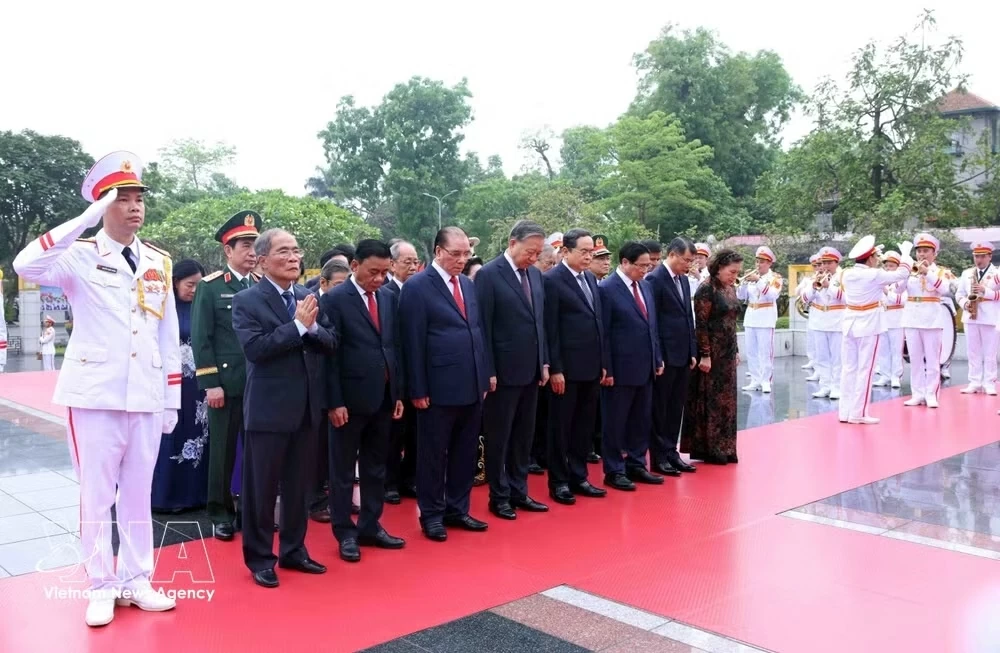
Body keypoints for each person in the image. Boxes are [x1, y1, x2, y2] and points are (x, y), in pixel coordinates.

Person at [13, 150, 180, 626]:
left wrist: (171, 399)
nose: (134, 207)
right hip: (95, 394)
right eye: (121, 199)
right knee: (96, 492)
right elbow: (28, 264)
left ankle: (136, 579)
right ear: (102, 206)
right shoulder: (79, 257)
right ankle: (101, 583)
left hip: (145, 393)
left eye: (138, 199)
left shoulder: (157, 261)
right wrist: (83, 219)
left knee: (136, 492)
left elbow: (167, 334)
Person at [232, 228, 337, 588]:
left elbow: (330, 340)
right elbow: (256, 350)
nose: (294, 258)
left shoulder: (308, 295)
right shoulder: (247, 300)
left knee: (298, 488)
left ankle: (294, 550)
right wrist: (297, 327)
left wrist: (308, 330)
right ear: (262, 260)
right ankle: (261, 557)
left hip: (307, 408)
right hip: (268, 410)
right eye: (284, 252)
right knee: (262, 490)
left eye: (296, 250)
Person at [398, 226, 490, 542]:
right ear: (438, 251)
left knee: (466, 452)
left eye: (466, 254)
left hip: (471, 384)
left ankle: (458, 509)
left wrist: (485, 373)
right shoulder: (418, 287)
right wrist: (418, 389)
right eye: (456, 254)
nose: (462, 260)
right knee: (433, 455)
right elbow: (412, 342)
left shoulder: (467, 284)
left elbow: (477, 331)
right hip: (436, 389)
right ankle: (432, 513)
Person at [321, 239, 406, 562]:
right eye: (373, 272)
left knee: (375, 467)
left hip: (383, 397)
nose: (379, 279)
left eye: (385, 272)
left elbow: (393, 346)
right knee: (342, 470)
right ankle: (345, 533)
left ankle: (371, 525)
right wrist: (334, 402)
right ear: (355, 266)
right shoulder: (336, 299)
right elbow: (329, 355)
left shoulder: (387, 297)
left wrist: (397, 392)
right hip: (348, 400)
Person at [191, 210, 261, 541]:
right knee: (223, 451)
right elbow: (201, 340)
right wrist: (211, 384)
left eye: (255, 245)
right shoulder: (211, 287)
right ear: (228, 251)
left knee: (258, 451)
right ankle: (219, 512)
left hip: (261, 385)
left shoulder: (262, 285)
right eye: (245, 245)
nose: (251, 251)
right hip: (227, 383)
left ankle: (252, 509)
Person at [475, 220, 550, 520]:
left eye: (537, 253)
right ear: (512, 243)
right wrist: (488, 369)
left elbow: (539, 323)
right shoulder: (489, 275)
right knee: (500, 436)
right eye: (529, 252)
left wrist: (544, 360)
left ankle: (520, 490)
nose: (533, 258)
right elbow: (484, 326)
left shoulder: (534, 274)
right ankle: (499, 495)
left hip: (531, 370)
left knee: (524, 435)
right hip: (502, 373)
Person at [543, 228, 608, 505]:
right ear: (565, 251)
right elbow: (551, 329)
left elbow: (598, 324)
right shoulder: (552, 281)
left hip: (592, 367)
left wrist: (603, 362)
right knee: (561, 427)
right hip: (566, 370)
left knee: (583, 426)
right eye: (583, 251)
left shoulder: (591, 280)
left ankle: (579, 476)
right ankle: (558, 481)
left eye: (591, 251)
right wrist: (555, 368)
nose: (588, 256)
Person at [599, 241, 664, 491]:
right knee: (615, 422)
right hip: (619, 369)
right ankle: (614, 469)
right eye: (641, 266)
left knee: (641, 419)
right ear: (624, 262)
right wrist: (607, 368)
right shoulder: (607, 289)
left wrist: (657, 358)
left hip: (645, 367)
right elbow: (603, 333)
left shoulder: (645, 287)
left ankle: (637, 463)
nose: (646, 270)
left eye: (649, 265)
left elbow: (651, 327)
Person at [152, 259, 210, 511]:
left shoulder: (203, 307)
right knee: (170, 433)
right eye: (190, 284)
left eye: (199, 285)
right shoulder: (164, 307)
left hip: (198, 385)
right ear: (175, 282)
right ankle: (164, 496)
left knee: (197, 434)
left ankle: (196, 494)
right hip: (170, 381)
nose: (194, 290)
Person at [838, 236, 912, 425]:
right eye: (876, 256)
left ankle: (845, 412)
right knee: (866, 370)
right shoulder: (874, 275)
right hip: (869, 324)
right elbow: (902, 274)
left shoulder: (846, 273)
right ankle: (858, 413)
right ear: (869, 258)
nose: (878, 260)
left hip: (849, 325)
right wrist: (905, 254)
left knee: (848, 369)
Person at [682, 249, 744, 464]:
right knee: (712, 401)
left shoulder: (730, 288)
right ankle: (711, 447)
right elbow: (701, 324)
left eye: (737, 272)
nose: (734, 276)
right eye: (731, 271)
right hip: (712, 352)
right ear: (719, 268)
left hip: (727, 352)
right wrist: (705, 355)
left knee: (727, 402)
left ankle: (727, 446)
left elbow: (732, 322)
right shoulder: (706, 289)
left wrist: (735, 350)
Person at [646, 237, 699, 476]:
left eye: (691, 261)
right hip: (666, 356)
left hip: (683, 354)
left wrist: (693, 350)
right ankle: (658, 456)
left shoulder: (684, 280)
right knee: (661, 408)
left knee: (676, 407)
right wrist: (658, 356)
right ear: (673, 255)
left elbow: (688, 317)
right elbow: (653, 322)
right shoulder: (655, 279)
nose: (688, 265)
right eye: (686, 260)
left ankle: (671, 451)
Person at [383, 239, 420, 503]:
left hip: (417, 371)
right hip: (394, 374)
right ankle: (390, 482)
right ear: (392, 264)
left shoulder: (420, 290)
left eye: (415, 261)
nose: (412, 266)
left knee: (416, 430)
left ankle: (410, 478)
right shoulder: (385, 293)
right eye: (406, 262)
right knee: (393, 432)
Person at [902, 233, 952, 408]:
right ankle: (917, 393)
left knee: (932, 360)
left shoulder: (940, 271)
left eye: (926, 251)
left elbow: (945, 289)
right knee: (915, 360)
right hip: (912, 317)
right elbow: (899, 288)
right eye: (919, 251)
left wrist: (928, 273)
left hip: (932, 319)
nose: (922, 255)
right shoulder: (911, 271)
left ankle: (931, 393)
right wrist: (905, 271)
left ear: (934, 254)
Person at [956, 241, 1000, 395]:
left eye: (982, 256)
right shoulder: (967, 273)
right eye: (976, 256)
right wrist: (965, 304)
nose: (978, 260)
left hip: (990, 316)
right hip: (971, 316)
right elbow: (959, 293)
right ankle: (974, 381)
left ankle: (989, 382)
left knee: (990, 352)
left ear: (990, 256)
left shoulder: (997, 273)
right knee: (972, 351)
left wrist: (985, 291)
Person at [736, 246, 782, 393]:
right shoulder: (751, 277)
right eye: (757, 261)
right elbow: (741, 296)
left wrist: (759, 281)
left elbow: (773, 295)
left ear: (769, 263)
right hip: (751, 316)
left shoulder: (775, 278)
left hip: (766, 317)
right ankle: (755, 379)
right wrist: (742, 283)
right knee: (751, 351)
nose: (758, 265)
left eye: (762, 262)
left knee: (765, 351)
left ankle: (766, 380)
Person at [874, 252, 906, 388]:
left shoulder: (902, 282)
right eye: (886, 266)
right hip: (882, 317)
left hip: (896, 318)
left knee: (895, 349)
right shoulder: (881, 281)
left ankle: (895, 376)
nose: (888, 268)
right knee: (883, 349)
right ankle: (885, 375)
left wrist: (887, 291)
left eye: (891, 266)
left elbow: (901, 300)